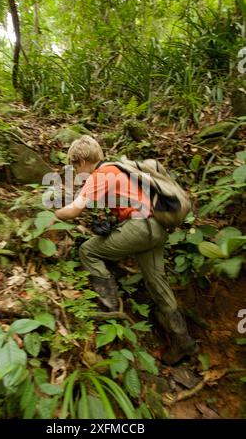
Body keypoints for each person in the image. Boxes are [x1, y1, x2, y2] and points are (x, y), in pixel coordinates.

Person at [55, 135, 197, 365]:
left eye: (74, 166)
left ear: (81, 161)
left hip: (139, 228)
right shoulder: (121, 170)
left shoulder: (100, 174)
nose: (76, 172)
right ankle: (183, 342)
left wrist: (54, 214)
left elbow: (73, 211)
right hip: (157, 229)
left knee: (88, 252)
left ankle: (108, 307)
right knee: (157, 284)